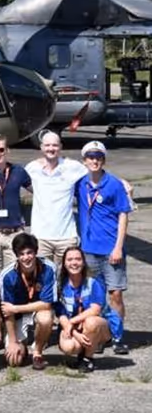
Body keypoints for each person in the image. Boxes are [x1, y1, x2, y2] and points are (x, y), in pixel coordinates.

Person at [75, 140, 131, 354]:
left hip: (111, 249)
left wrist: (118, 247)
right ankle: (100, 334)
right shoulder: (80, 184)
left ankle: (117, 336)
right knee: (95, 297)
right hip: (89, 250)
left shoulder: (114, 184)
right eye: (90, 157)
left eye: (98, 157)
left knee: (115, 294)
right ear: (84, 161)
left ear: (103, 160)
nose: (94, 161)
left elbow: (123, 215)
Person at [25, 131, 87, 268]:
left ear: (60, 147)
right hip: (41, 237)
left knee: (67, 276)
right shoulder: (32, 168)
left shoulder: (72, 167)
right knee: (42, 276)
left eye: (54, 145)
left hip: (66, 237)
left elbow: (96, 174)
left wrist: (121, 182)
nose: (51, 149)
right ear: (41, 147)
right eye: (47, 145)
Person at [56, 246, 122, 373]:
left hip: (100, 326)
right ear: (64, 263)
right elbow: (61, 314)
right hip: (75, 327)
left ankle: (88, 358)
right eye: (70, 259)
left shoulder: (93, 282)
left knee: (91, 322)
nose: (74, 263)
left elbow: (95, 310)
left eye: (78, 259)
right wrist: (74, 332)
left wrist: (71, 322)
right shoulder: (60, 286)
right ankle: (82, 352)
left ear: (83, 262)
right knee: (69, 347)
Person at [0, 233, 57, 370]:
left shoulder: (49, 268)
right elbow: (7, 311)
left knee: (46, 318)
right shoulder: (7, 275)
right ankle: (23, 345)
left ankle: (37, 352)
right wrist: (13, 342)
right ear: (17, 256)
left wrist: (16, 308)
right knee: (14, 361)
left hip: (37, 311)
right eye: (21, 254)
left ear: (36, 252)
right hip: (18, 317)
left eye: (29, 253)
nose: (26, 258)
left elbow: (46, 303)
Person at [0, 134, 32, 274]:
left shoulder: (18, 171)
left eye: (1, 149)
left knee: (15, 274)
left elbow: (37, 191)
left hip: (14, 233)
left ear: (7, 150)